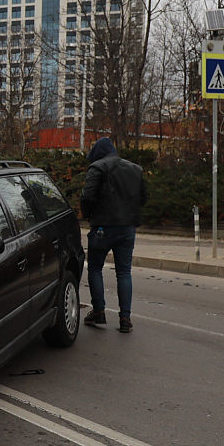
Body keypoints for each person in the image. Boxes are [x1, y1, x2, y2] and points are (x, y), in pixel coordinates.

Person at [79, 137, 147, 333]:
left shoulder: (97, 168)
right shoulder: (135, 169)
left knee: (95, 268)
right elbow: (143, 198)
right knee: (124, 272)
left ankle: (99, 311)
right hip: (127, 228)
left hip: (103, 226)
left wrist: (88, 215)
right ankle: (125, 318)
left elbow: (87, 196)